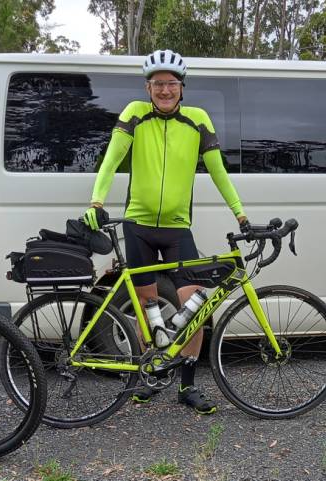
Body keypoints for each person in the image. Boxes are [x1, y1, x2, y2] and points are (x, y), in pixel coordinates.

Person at [84, 50, 247, 415]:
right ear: (148, 88)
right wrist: (96, 201)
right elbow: (111, 160)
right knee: (148, 309)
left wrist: (240, 214)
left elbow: (218, 172)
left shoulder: (197, 120)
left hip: (177, 229)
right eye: (157, 83)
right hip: (138, 227)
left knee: (195, 305)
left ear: (181, 88)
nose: (165, 90)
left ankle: (187, 386)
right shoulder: (135, 114)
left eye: (171, 83)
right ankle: (153, 376)